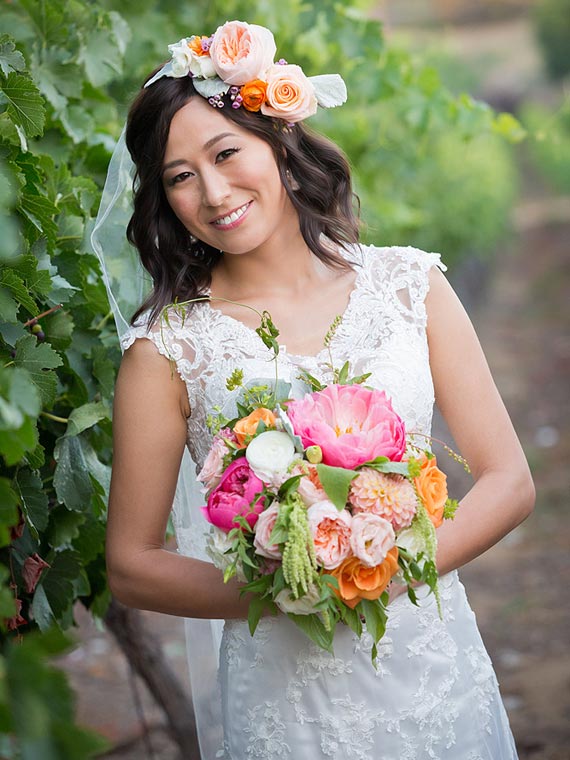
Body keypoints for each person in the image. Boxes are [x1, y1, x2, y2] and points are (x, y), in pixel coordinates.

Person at [99, 20, 535, 760]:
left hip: (429, 670)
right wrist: (292, 588)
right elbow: (132, 563)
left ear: (278, 138)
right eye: (178, 177)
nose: (212, 192)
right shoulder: (167, 350)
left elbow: (509, 481)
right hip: (283, 698)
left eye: (226, 152)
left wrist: (381, 572)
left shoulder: (408, 285)